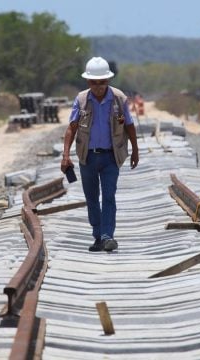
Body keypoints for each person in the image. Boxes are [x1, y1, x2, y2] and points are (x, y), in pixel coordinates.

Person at [60, 56, 139, 252]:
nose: (98, 86)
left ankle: (107, 236)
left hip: (111, 157)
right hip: (88, 157)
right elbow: (72, 128)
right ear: (88, 81)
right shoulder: (81, 100)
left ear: (108, 80)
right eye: (94, 83)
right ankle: (98, 235)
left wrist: (135, 151)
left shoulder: (119, 99)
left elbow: (129, 125)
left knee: (109, 195)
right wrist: (65, 155)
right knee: (92, 197)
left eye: (102, 82)